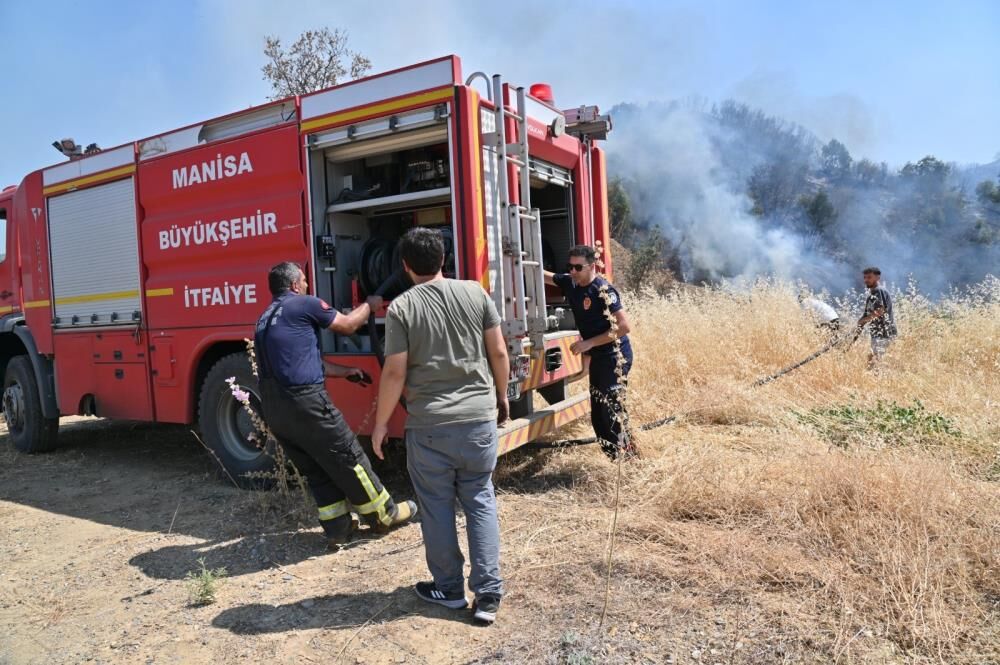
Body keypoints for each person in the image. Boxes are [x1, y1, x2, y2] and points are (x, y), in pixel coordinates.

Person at [370, 228, 509, 624]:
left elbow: (395, 371)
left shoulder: (401, 308)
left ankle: (448, 590)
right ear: (443, 259)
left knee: (436, 508)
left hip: (429, 426)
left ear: (405, 266)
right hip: (478, 421)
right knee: (480, 501)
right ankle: (488, 596)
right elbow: (498, 350)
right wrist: (501, 397)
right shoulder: (476, 293)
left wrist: (381, 424)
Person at [254, 262, 417, 549]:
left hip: (275, 408)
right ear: (294, 285)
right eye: (304, 281)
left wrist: (346, 372)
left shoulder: (266, 317)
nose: (307, 285)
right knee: (348, 456)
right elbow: (348, 325)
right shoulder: (304, 304)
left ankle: (337, 529)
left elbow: (305, 361)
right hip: (306, 402)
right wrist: (370, 304)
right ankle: (384, 514)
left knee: (315, 466)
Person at [544, 245, 636, 460]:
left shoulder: (603, 290)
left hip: (615, 356)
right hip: (598, 358)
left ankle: (630, 459)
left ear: (591, 266)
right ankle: (615, 458)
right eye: (570, 267)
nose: (573, 272)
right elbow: (547, 276)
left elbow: (623, 326)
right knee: (598, 414)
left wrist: (588, 344)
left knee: (611, 411)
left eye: (578, 267)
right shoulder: (571, 282)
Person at [856, 266, 897, 367]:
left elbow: (879, 311)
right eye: (865, 278)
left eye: (869, 277)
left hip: (884, 332)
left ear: (878, 278)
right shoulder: (872, 294)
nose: (866, 280)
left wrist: (863, 321)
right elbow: (868, 313)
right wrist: (860, 322)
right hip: (878, 333)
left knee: (877, 363)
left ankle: (879, 381)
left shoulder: (879, 291)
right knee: (872, 361)